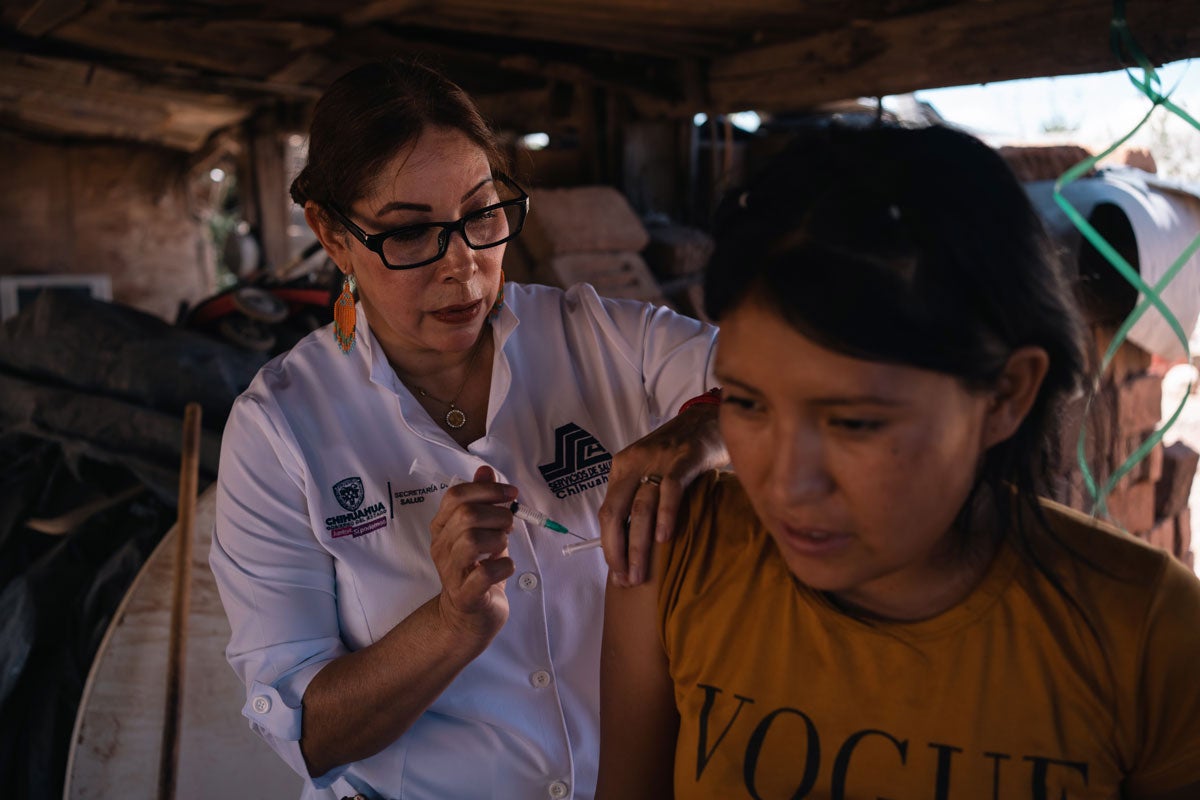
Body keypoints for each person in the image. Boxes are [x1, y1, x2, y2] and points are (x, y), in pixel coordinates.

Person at [597, 124, 1200, 799]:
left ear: (1006, 393)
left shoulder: (1149, 639)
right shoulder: (676, 552)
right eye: (745, 402)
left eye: (854, 422)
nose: (788, 486)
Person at [209, 59, 726, 800]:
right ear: (331, 233)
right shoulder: (282, 430)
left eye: (482, 215)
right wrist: (452, 625)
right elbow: (312, 736)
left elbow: (774, 383)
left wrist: (703, 427)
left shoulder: (604, 342)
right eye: (411, 232)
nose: (466, 269)